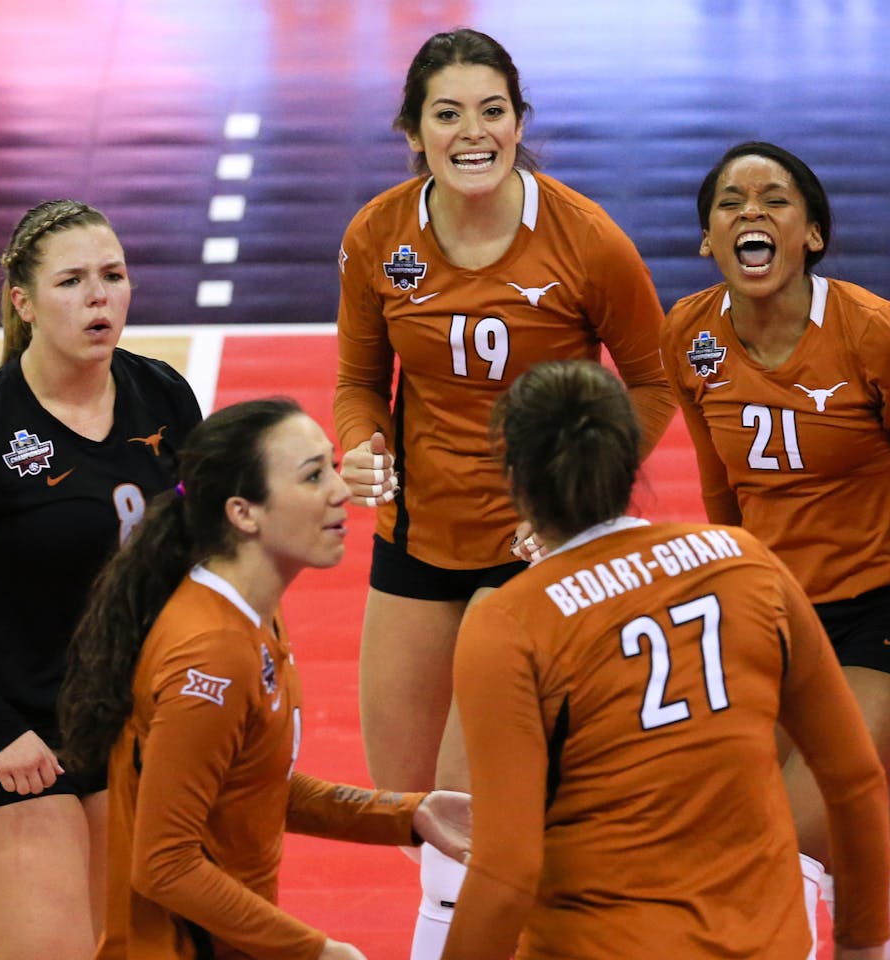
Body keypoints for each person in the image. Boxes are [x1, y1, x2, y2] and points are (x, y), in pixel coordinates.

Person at [333, 28, 675, 956]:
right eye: (449, 114)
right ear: (414, 130)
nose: (472, 132)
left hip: (536, 552)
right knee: (408, 803)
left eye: (492, 111)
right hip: (416, 537)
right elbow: (361, 380)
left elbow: (653, 381)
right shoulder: (377, 236)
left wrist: (586, 499)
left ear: (520, 123)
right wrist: (360, 445)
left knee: (465, 821)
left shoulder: (585, 238)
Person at [660, 141, 890, 959]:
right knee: (855, 838)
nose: (751, 211)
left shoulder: (880, 337)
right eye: (730, 201)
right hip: (776, 629)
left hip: (889, 626)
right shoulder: (690, 337)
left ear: (812, 236)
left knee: (780, 841)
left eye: (775, 198)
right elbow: (723, 487)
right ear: (706, 242)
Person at [442, 359, 890, 959]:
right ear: (632, 460)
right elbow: (855, 779)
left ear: (515, 476)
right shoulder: (744, 562)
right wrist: (861, 945)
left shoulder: (510, 622)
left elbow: (506, 869)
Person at [0, 199, 202, 959]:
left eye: (113, 275)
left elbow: (204, 546)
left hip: (137, 727)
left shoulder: (163, 395)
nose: (99, 296)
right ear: (21, 302)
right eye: (72, 281)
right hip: (23, 740)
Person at [57, 398, 473, 960]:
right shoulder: (211, 655)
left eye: (331, 467)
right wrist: (315, 951)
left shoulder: (253, 616)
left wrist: (407, 814)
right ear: (243, 513)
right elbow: (164, 864)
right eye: (312, 476)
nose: (341, 491)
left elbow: (253, 780)